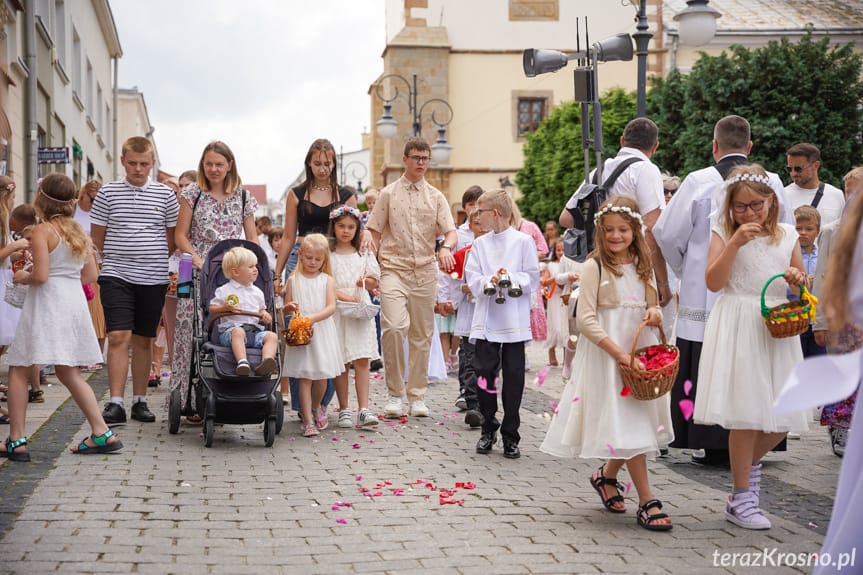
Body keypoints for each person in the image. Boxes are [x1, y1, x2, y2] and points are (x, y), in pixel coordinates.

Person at [653, 115, 794, 466]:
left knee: (710, 363)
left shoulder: (697, 181)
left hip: (706, 290)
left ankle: (711, 441)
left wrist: (687, 268)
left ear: (714, 146)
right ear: (750, 147)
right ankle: (759, 442)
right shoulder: (773, 181)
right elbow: (785, 229)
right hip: (763, 291)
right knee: (757, 365)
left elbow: (667, 233)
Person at [541, 195, 673, 531]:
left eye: (623, 230)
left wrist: (655, 313)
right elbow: (585, 320)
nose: (616, 236)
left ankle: (606, 475)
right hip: (610, 354)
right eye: (610, 230)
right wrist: (619, 355)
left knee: (633, 422)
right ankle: (647, 500)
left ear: (634, 231)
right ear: (601, 231)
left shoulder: (643, 267)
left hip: (638, 352)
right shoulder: (593, 267)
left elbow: (653, 306)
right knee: (628, 422)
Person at [695, 164, 809, 530]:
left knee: (782, 417)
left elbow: (798, 287)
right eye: (740, 207)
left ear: (772, 202)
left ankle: (743, 469)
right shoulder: (722, 231)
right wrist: (734, 242)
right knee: (747, 414)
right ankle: (743, 495)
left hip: (777, 328)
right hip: (740, 322)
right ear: (729, 206)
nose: (749, 213)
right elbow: (713, 282)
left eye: (756, 205)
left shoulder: (788, 234)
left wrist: (796, 280)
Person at [0, 173, 123, 461]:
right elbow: (91, 274)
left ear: (41, 199)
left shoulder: (43, 232)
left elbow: (41, 276)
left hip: (46, 302)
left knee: (19, 367)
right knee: (69, 371)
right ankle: (101, 431)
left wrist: (21, 276)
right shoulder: (79, 231)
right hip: (73, 302)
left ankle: (16, 439)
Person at [90, 136, 179, 425]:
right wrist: (115, 257)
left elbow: (170, 239)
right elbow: (97, 236)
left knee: (144, 338)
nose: (138, 169)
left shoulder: (165, 196)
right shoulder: (107, 193)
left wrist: (151, 257)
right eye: (132, 163)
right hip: (116, 273)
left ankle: (139, 400)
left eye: (144, 164)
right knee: (118, 336)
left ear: (152, 163)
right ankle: (115, 402)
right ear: (123, 161)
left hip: (152, 276)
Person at [366, 137, 456, 418]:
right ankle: (394, 393)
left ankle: (417, 395)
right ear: (404, 159)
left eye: (425, 158)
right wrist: (369, 259)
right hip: (393, 267)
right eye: (416, 157)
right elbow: (374, 231)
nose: (421, 163)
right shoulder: (388, 194)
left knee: (421, 334)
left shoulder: (436, 196)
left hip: (425, 270)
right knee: (393, 328)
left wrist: (445, 248)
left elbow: (450, 231)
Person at [171, 141, 258, 423]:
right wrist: (197, 259)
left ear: (229, 165)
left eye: (219, 164)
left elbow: (252, 238)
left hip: (232, 267)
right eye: (209, 164)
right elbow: (180, 235)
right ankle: (184, 397)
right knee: (188, 330)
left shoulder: (243, 196)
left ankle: (229, 390)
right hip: (193, 266)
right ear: (202, 165)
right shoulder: (192, 193)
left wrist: (254, 264)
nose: (213, 169)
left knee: (230, 323)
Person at [273, 139, 356, 416]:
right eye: (318, 163)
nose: (323, 168)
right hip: (300, 256)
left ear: (334, 163)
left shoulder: (346, 193)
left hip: (331, 259)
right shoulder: (296, 194)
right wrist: (277, 273)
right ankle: (302, 404)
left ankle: (322, 402)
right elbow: (287, 236)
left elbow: (356, 230)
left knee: (329, 330)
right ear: (309, 162)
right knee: (298, 330)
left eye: (328, 163)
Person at [561, 117, 672, 308]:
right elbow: (652, 229)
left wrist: (600, 230)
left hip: (597, 262)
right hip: (631, 266)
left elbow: (566, 218)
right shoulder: (646, 169)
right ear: (655, 147)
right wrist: (661, 281)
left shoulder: (598, 170)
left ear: (622, 140)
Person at [465, 189, 540, 459]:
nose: (476, 216)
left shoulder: (523, 241)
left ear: (495, 213)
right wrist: (490, 281)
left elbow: (532, 277)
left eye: (480, 211)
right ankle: (488, 427)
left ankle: (511, 434)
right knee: (484, 375)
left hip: (513, 321)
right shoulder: (480, 244)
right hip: (487, 319)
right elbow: (471, 276)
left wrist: (510, 278)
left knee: (514, 379)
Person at [812, 167, 863, 457]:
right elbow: (822, 277)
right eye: (848, 192)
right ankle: (840, 427)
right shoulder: (832, 230)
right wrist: (820, 321)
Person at [282, 234, 343, 437]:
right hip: (301, 334)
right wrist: (289, 308)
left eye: (318, 259)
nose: (313, 263)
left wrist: (313, 319)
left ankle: (317, 405)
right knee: (305, 377)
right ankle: (307, 420)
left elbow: (331, 307)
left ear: (324, 260)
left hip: (321, 331)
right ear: (301, 255)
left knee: (322, 376)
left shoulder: (327, 280)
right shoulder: (293, 280)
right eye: (309, 258)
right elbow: (287, 308)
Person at [328, 206, 380, 428]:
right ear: (333, 227)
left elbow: (374, 280)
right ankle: (344, 408)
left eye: (351, 227)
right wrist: (343, 297)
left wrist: (365, 282)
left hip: (359, 311)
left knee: (361, 359)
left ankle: (364, 408)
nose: (346, 231)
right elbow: (326, 282)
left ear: (357, 228)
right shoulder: (329, 255)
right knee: (342, 361)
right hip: (339, 311)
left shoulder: (363, 253)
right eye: (341, 226)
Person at [208, 246, 278, 376]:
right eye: (250, 267)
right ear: (236, 272)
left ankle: (266, 361)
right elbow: (212, 308)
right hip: (230, 332)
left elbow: (261, 309)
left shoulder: (258, 292)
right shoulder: (225, 290)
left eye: (255, 266)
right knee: (238, 332)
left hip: (254, 332)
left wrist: (264, 314)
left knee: (272, 336)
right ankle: (242, 362)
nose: (255, 270)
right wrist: (224, 308)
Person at [448, 210, 486, 426]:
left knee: (487, 359)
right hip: (469, 312)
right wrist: (455, 295)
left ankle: (483, 398)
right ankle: (472, 401)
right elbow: (452, 278)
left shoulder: (496, 251)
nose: (481, 227)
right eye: (477, 224)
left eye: (484, 223)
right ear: (471, 227)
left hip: (488, 314)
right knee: (469, 356)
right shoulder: (465, 253)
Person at [74, 180, 106, 363]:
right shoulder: (72, 210)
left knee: (97, 311)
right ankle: (78, 354)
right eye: (91, 199)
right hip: (75, 264)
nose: (94, 204)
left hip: (96, 264)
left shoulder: (101, 211)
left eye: (97, 200)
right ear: (83, 193)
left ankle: (96, 355)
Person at [784, 143, 845, 226]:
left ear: (816, 165)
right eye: (789, 169)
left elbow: (843, 230)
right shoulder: (783, 196)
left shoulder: (836, 195)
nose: (793, 173)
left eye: (798, 169)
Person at [794, 205, 826, 358]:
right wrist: (803, 282)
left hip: (816, 322)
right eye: (798, 228)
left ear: (818, 231)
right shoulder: (788, 254)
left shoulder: (823, 254)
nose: (803, 233)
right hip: (794, 320)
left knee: (818, 365)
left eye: (808, 229)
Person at [542, 239, 569, 367]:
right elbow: (544, 281)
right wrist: (555, 278)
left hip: (565, 298)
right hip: (553, 298)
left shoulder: (569, 264)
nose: (561, 252)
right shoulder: (551, 265)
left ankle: (566, 358)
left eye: (563, 250)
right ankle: (551, 356)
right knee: (554, 327)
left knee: (564, 327)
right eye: (558, 250)